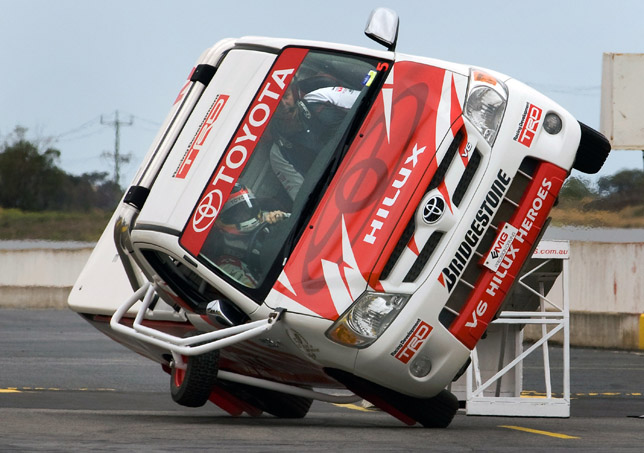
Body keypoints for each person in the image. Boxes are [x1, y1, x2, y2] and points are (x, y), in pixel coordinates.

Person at [270, 84, 360, 201]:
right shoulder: (278, 153)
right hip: (343, 191)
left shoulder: (320, 97)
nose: (283, 105)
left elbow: (376, 101)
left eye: (286, 96)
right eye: (276, 103)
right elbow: (303, 197)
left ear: (293, 92)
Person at [206, 184, 288, 287]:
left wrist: (283, 220)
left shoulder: (269, 217)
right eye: (237, 213)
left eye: (246, 208)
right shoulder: (228, 264)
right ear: (223, 219)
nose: (245, 214)